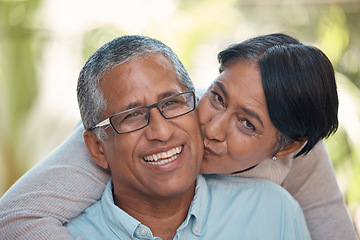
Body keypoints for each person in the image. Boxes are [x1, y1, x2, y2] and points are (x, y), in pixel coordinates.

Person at [0, 34, 356, 239]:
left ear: (286, 147)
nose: (211, 127)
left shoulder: (293, 176)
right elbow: (15, 217)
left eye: (247, 124)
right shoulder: (139, 126)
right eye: (217, 97)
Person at [68, 35, 310, 239]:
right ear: (98, 148)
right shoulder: (65, 234)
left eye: (172, 102)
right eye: (132, 115)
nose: (162, 132)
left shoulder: (273, 212)